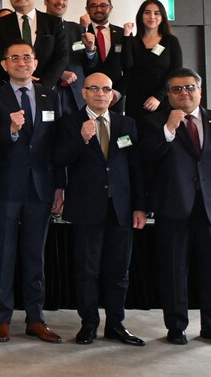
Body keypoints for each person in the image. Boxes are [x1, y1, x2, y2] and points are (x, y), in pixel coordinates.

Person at [144, 69, 211, 347]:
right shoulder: (154, 123)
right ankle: (176, 326)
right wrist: (168, 130)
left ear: (200, 91)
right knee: (174, 270)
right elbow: (146, 162)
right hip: (173, 207)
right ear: (168, 95)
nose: (184, 93)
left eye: (190, 87)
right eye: (176, 89)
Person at [53, 72, 147, 347]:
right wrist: (81, 139)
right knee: (86, 270)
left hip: (121, 209)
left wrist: (140, 206)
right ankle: (89, 324)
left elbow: (135, 169)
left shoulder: (126, 123)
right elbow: (59, 159)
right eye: (93, 88)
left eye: (106, 89)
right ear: (83, 93)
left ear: (113, 94)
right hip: (86, 209)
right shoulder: (70, 123)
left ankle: (116, 325)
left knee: (119, 272)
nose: (100, 94)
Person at [0, 42, 64, 344]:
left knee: (35, 255)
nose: (21, 62)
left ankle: (35, 319)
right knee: (3, 254)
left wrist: (59, 185)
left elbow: (57, 144)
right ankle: (1, 319)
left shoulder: (50, 96)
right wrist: (12, 130)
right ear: (4, 65)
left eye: (26, 57)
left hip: (41, 186)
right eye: (14, 57)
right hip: (6, 186)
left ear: (35, 62)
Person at [0, 0, 68, 90]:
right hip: (10, 88)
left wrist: (44, 84)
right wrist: (19, 79)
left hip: (47, 88)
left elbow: (61, 56)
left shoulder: (53, 22)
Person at [123, 0, 183, 125]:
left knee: (161, 137)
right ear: (141, 16)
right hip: (136, 100)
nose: (152, 16)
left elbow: (176, 73)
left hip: (161, 100)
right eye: (147, 12)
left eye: (157, 13)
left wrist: (158, 96)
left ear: (162, 17)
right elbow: (127, 66)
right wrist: (126, 37)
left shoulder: (170, 41)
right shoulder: (134, 41)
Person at [73, 0, 133, 112]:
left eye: (103, 5)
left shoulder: (123, 34)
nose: (98, 9)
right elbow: (76, 62)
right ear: (87, 9)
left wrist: (118, 93)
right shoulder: (78, 32)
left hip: (114, 97)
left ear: (110, 8)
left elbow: (130, 67)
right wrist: (82, 29)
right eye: (93, 6)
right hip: (85, 96)